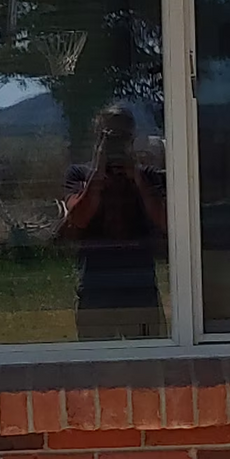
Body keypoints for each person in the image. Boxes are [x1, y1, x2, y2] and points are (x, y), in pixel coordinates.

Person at [56, 103, 167, 340]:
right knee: (96, 358)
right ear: (97, 138)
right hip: (95, 284)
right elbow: (78, 218)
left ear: (132, 139)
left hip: (139, 284)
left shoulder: (148, 177)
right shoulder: (79, 175)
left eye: (122, 137)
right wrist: (97, 175)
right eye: (109, 137)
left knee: (147, 356)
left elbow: (164, 221)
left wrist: (137, 177)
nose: (116, 144)